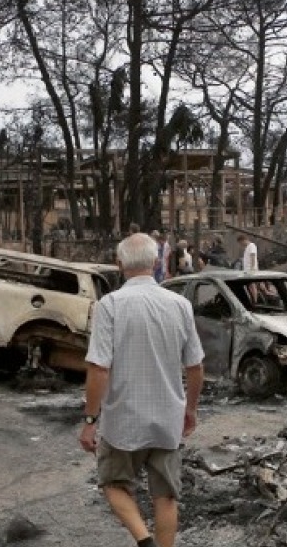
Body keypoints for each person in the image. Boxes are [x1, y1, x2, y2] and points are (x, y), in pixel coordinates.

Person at [80, 233, 205, 547]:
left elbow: (98, 368)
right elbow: (195, 367)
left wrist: (90, 421)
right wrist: (190, 409)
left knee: (113, 484)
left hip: (123, 420)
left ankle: (143, 538)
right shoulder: (180, 305)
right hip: (167, 419)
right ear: (156, 262)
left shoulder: (110, 306)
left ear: (119, 264)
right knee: (165, 497)